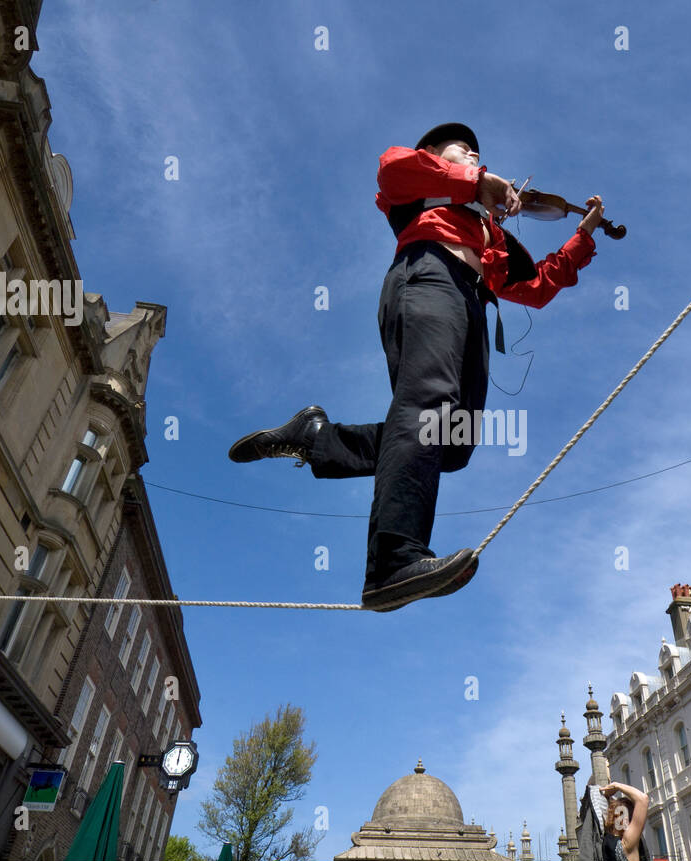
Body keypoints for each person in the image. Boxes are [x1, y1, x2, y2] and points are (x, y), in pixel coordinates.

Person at [229, 123, 603, 611]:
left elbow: (537, 287)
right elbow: (393, 169)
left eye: (476, 149)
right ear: (433, 153)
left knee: (453, 444)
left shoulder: (490, 231)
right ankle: (392, 561)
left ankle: (315, 437)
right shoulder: (423, 186)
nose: (472, 151)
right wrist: (472, 181)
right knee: (428, 402)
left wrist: (584, 234)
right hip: (428, 278)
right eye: (460, 147)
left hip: (471, 303)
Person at [599, 781, 648, 861]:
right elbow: (643, 799)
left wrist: (606, 795)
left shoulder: (603, 841)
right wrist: (617, 786)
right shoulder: (627, 842)